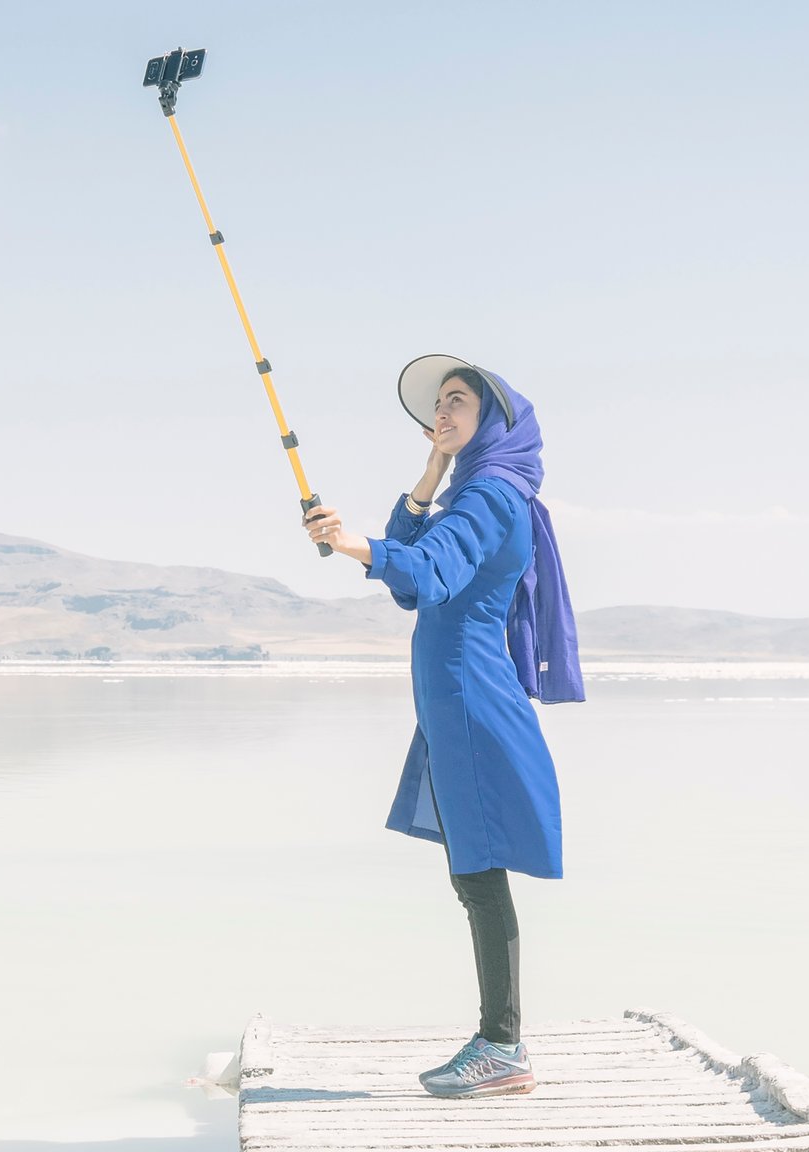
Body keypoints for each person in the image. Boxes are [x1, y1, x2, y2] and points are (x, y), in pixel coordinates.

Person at [300, 354, 582, 1100]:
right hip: (454, 698)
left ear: (496, 419)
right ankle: (500, 1041)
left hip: (467, 696)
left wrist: (353, 541)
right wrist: (428, 472)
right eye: (438, 407)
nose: (444, 413)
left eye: (460, 402)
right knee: (473, 872)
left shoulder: (490, 495)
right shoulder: (470, 488)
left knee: (478, 872)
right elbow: (409, 577)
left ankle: (502, 1045)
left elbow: (425, 571)